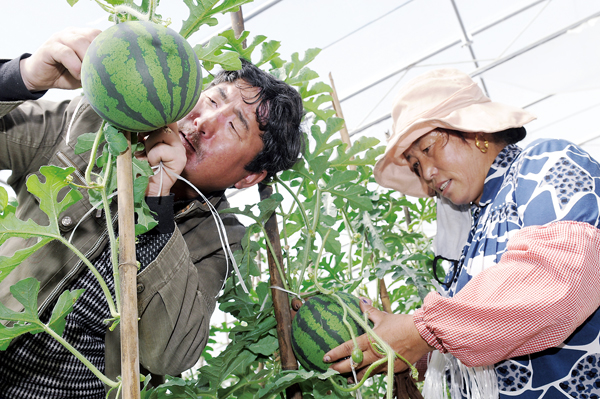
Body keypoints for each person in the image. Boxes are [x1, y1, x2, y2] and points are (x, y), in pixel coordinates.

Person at [0, 27, 304, 398]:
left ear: (250, 177)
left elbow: (172, 354)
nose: (205, 122)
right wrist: (22, 77)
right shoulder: (91, 125)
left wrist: (158, 205)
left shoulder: (220, 237)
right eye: (212, 100)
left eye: (235, 125)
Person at [324, 68, 600, 398]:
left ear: (474, 131)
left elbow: (556, 282)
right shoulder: (473, 227)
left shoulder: (546, 163)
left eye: (427, 149)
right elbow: (484, 335)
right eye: (414, 165)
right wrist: (402, 345)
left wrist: (422, 330)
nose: (425, 174)